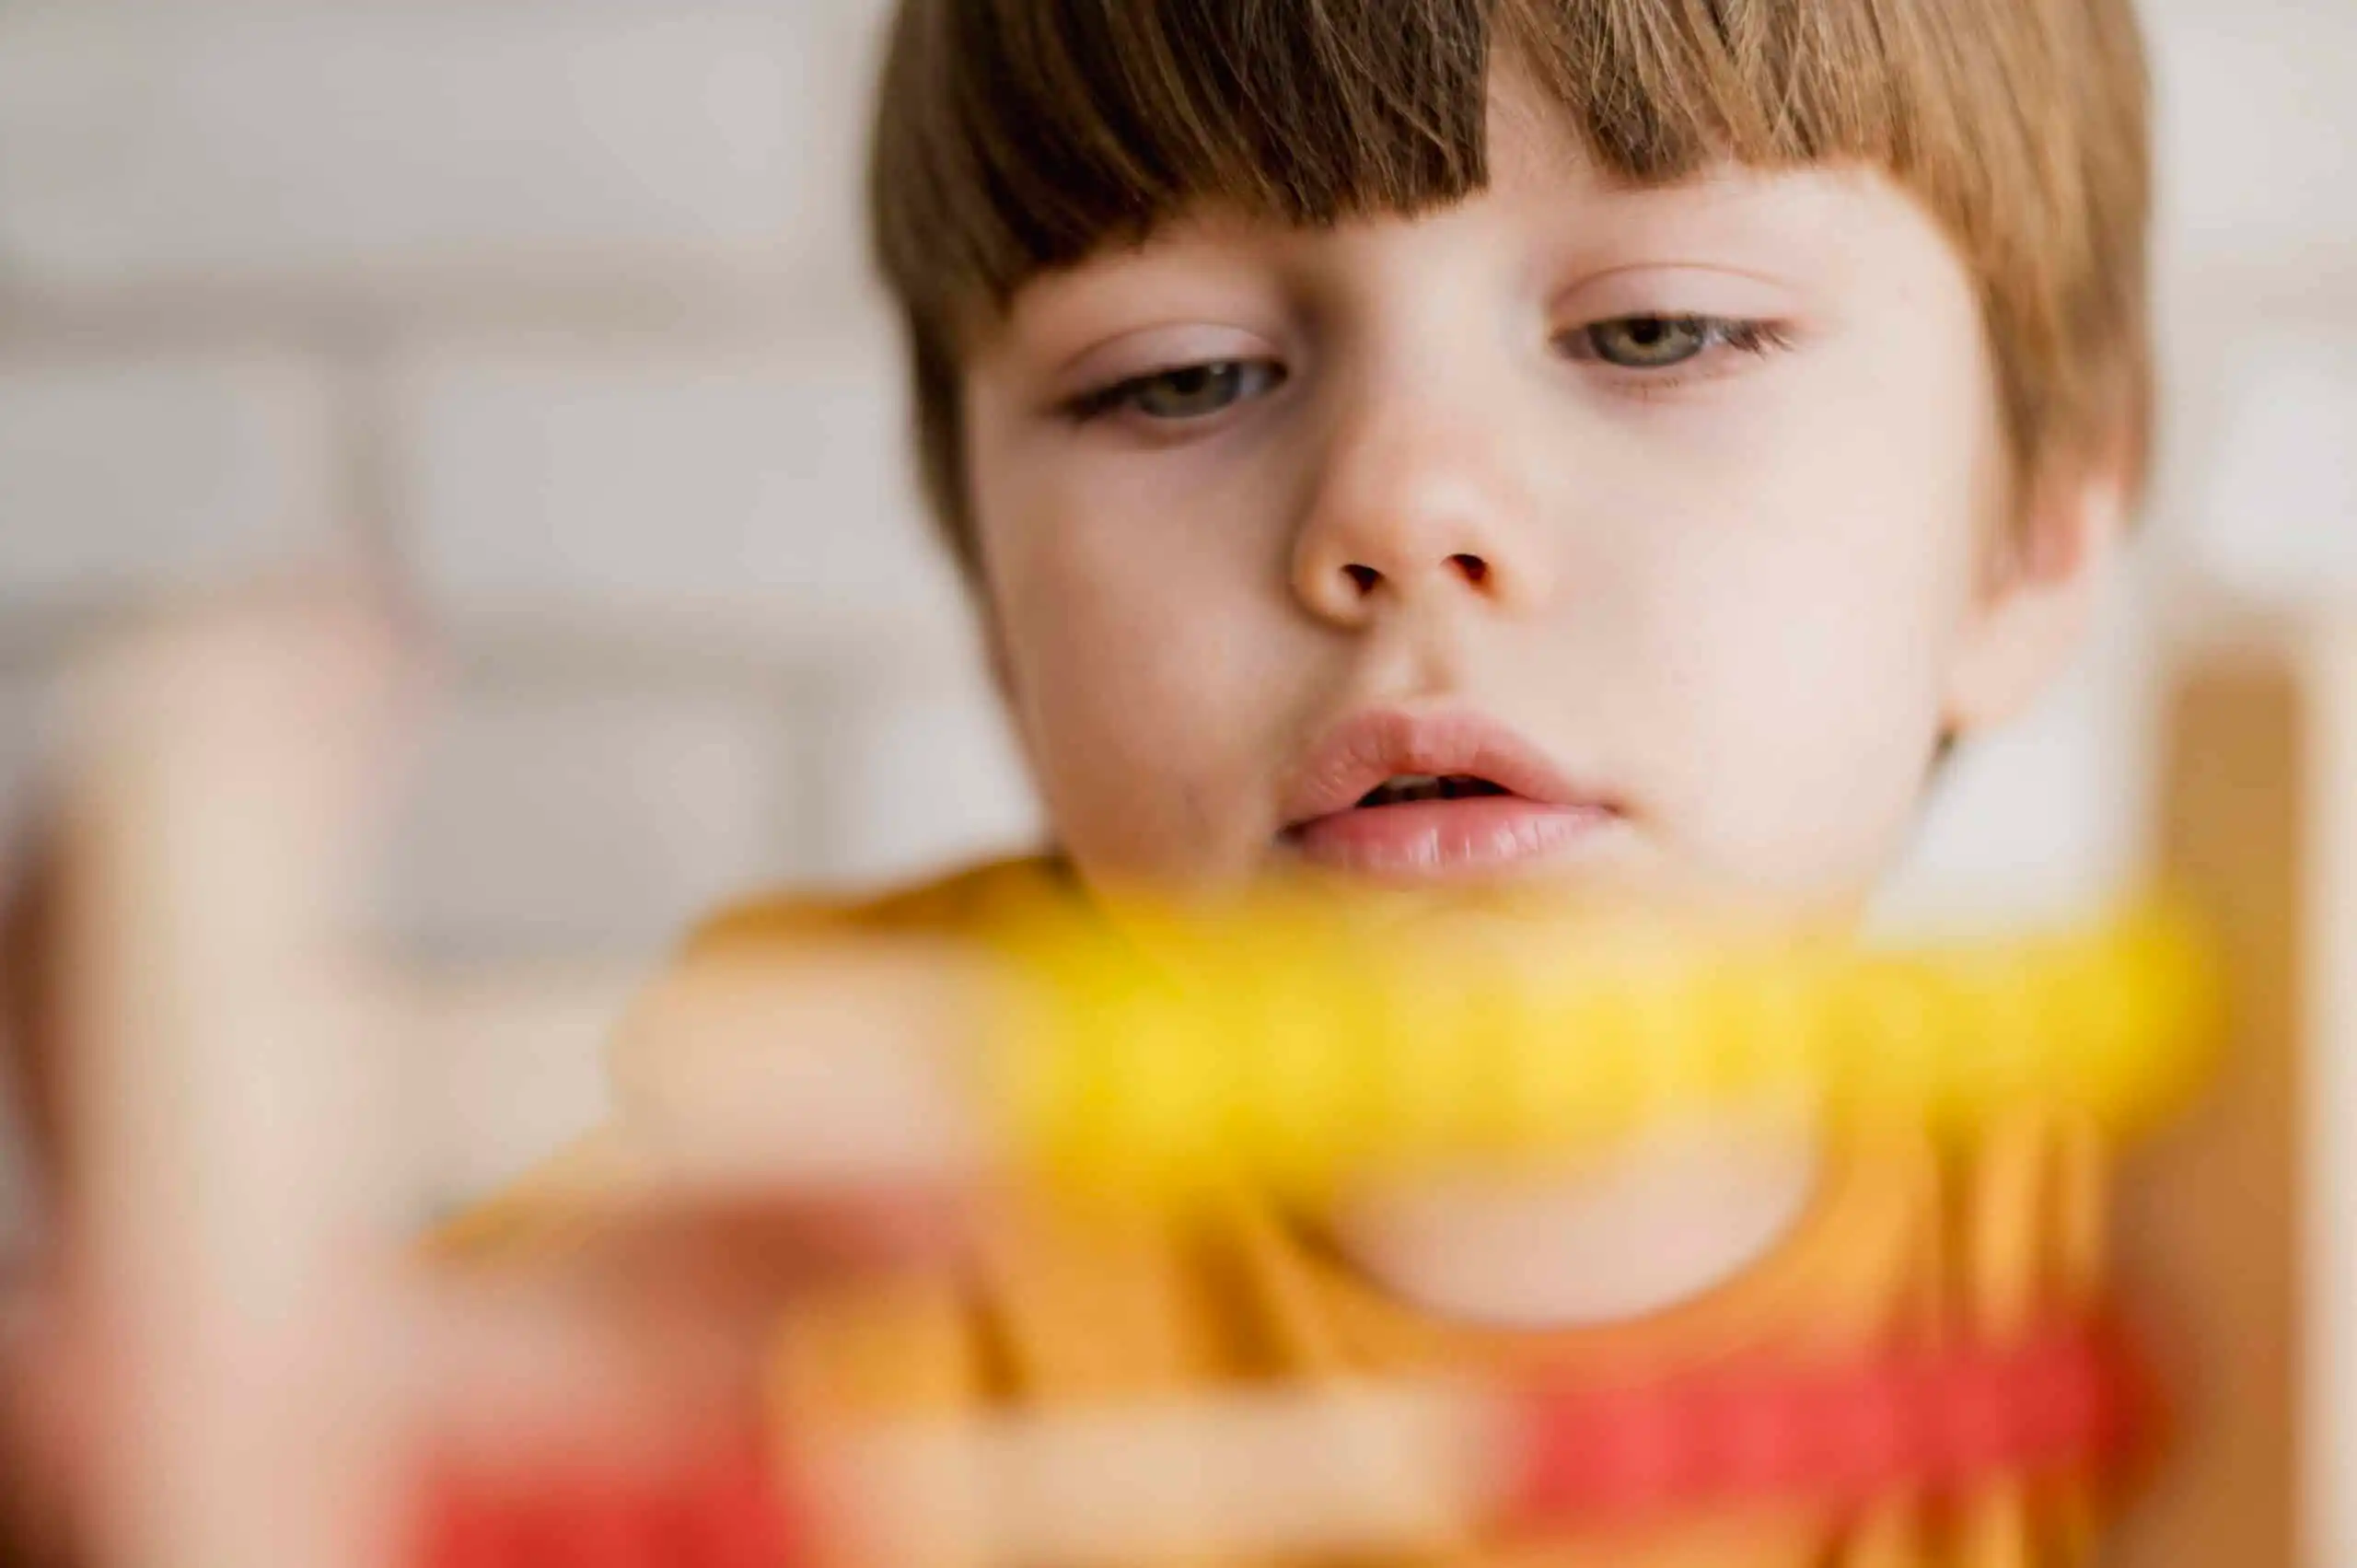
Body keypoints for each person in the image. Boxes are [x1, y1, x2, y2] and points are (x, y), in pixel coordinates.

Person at [443, 0, 2159, 1562]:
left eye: (1657, 334)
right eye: (1180, 377)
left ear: (2036, 530)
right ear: (988, 590)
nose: (1401, 510)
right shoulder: (809, 1205)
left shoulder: (2222, 1277)